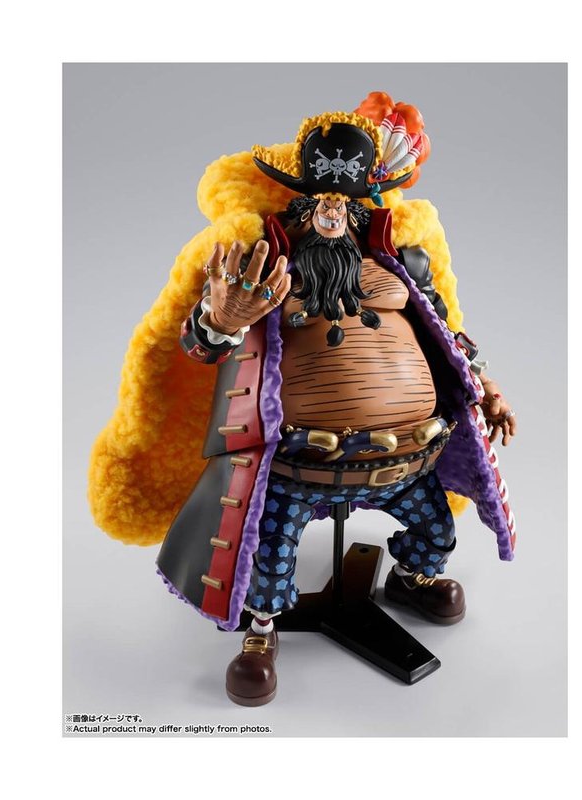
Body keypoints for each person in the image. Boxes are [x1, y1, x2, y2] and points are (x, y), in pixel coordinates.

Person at [89, 93, 517, 707]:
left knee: (436, 530)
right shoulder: (261, 268)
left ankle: (410, 577)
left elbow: (448, 335)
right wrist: (223, 318)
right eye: (320, 201)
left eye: (345, 202)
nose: (331, 213)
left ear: (365, 204)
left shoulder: (403, 263)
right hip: (300, 465)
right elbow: (196, 343)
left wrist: (488, 390)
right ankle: (261, 631)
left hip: (406, 458)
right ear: (299, 201)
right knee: (269, 555)